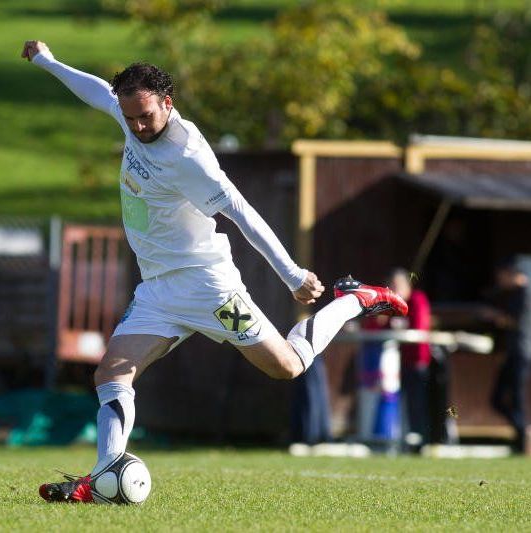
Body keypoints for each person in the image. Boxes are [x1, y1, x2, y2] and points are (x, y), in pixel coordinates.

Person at [21, 40, 408, 503]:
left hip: (209, 288)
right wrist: (46, 61)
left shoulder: (189, 159)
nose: (137, 126)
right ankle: (103, 478)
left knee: (286, 366)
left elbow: (242, 213)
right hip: (158, 290)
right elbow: (99, 91)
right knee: (111, 374)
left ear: (168, 103)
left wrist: (291, 274)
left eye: (146, 116)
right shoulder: (131, 115)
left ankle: (354, 300)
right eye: (130, 117)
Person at [489, 256, 531, 454]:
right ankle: (521, 433)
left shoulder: (525, 293)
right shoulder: (514, 294)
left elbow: (515, 321)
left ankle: (524, 437)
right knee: (498, 399)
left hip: (522, 353)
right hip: (514, 353)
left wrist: (494, 318)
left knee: (517, 399)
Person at [388, 268, 432, 447]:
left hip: (418, 361)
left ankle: (421, 440)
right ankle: (406, 438)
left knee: (417, 403)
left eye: (396, 285)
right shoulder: (396, 304)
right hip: (402, 362)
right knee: (404, 403)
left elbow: (418, 327)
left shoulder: (417, 300)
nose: (393, 289)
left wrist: (396, 324)